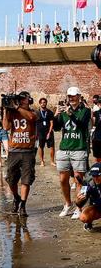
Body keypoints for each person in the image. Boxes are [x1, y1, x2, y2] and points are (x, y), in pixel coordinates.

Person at [54, 87, 91, 218]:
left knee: (78, 179)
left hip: (79, 148)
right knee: (63, 179)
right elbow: (57, 128)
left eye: (74, 96)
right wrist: (56, 115)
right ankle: (67, 204)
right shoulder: (64, 111)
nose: (71, 98)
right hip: (64, 148)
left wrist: (71, 114)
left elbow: (82, 125)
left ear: (79, 96)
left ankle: (79, 207)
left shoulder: (86, 111)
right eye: (69, 96)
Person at [2, 91, 37, 216]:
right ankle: (16, 198)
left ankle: (23, 204)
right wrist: (6, 110)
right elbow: (6, 127)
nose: (22, 101)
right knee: (11, 180)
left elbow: (32, 118)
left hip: (28, 151)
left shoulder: (33, 112)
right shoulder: (13, 113)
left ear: (29, 100)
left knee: (26, 180)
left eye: (24, 99)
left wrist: (17, 107)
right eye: (20, 99)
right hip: (14, 151)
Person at [75, 162, 101, 231]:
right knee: (84, 217)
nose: (96, 178)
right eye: (94, 176)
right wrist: (78, 200)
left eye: (98, 176)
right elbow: (80, 204)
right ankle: (88, 223)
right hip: (98, 206)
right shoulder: (88, 183)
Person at [35, 98, 56, 167]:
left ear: (46, 103)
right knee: (41, 147)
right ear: (39, 103)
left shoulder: (50, 112)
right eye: (41, 102)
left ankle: (52, 161)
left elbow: (51, 123)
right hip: (40, 132)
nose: (43, 104)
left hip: (48, 131)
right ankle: (42, 161)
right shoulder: (37, 113)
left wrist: (49, 132)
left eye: (44, 102)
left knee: (52, 147)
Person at [92, 95, 101, 164]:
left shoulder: (96, 113)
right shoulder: (96, 113)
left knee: (97, 157)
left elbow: (93, 124)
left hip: (97, 137)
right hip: (97, 137)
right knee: (97, 157)